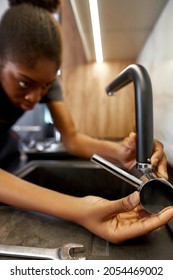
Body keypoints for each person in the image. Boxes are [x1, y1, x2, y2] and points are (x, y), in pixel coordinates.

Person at [0, 0, 172, 245]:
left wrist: (122, 153)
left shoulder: (41, 80)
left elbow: (72, 138)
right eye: (24, 83)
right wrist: (78, 209)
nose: (35, 97)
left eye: (46, 85)